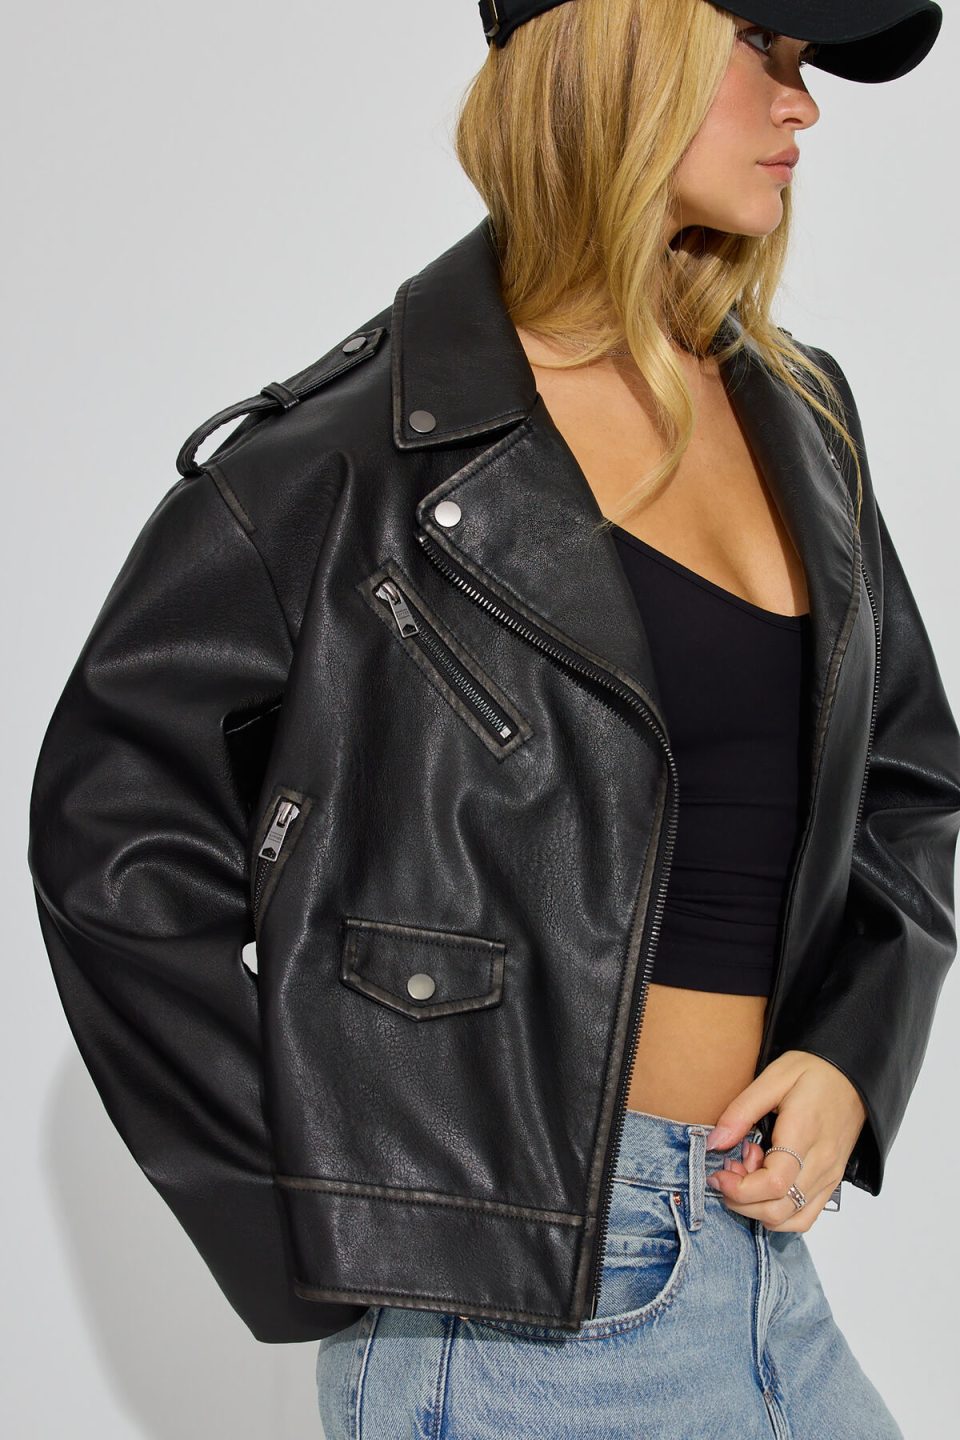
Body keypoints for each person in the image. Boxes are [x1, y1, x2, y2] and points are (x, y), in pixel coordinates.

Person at [26, 2, 960, 1437]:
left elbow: (906, 780)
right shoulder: (348, 461)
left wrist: (853, 1052)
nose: (805, 104)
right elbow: (112, 846)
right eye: (762, 47)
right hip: (515, 1329)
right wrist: (339, 1217)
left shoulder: (802, 413)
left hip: (767, 1274)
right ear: (619, 51)